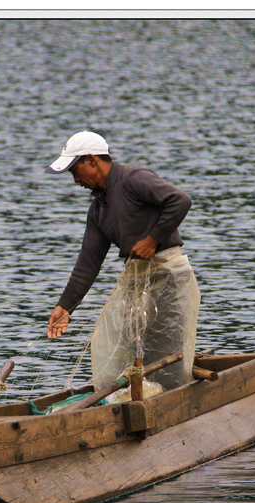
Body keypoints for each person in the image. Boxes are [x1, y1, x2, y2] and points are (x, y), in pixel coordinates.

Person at [44, 130, 200, 390]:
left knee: (167, 344)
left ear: (92, 161)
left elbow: (180, 200)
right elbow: (88, 263)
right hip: (138, 280)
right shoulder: (98, 210)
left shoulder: (133, 179)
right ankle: (141, 393)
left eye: (75, 171)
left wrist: (152, 240)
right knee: (132, 343)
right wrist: (65, 307)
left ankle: (172, 396)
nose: (75, 180)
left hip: (169, 277)